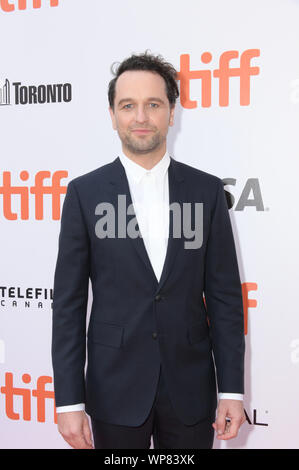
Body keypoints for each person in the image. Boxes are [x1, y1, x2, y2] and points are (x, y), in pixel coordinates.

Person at [51, 52, 246, 449]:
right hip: (113, 389)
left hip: (191, 390)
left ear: (171, 113)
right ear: (112, 115)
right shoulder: (84, 194)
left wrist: (232, 391)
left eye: (153, 104)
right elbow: (68, 305)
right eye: (128, 105)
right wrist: (69, 399)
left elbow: (226, 299)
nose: (141, 117)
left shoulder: (206, 192)